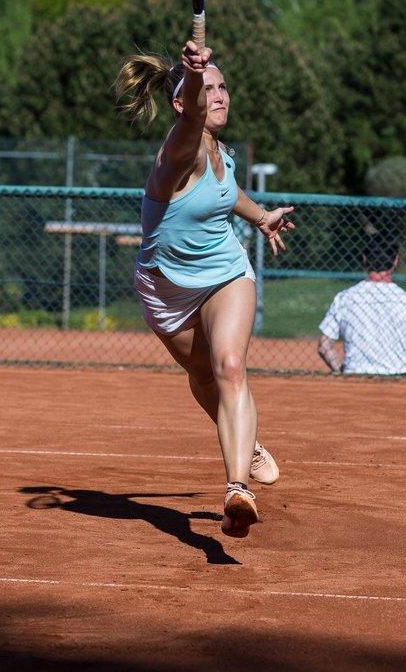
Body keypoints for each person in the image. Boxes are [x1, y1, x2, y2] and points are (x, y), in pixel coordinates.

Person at [115, 38, 296, 539]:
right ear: (181, 104)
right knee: (203, 377)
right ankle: (248, 440)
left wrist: (261, 217)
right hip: (166, 289)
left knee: (229, 366)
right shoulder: (179, 149)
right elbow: (192, 121)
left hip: (224, 272)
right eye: (207, 89)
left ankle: (238, 489)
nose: (219, 96)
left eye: (223, 86)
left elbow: (225, 189)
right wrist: (193, 73)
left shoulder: (218, 150)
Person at [317, 234, 406, 377]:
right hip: (397, 379)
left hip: (354, 378)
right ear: (395, 261)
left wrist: (340, 370)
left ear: (364, 259)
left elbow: (324, 346)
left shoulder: (345, 298)